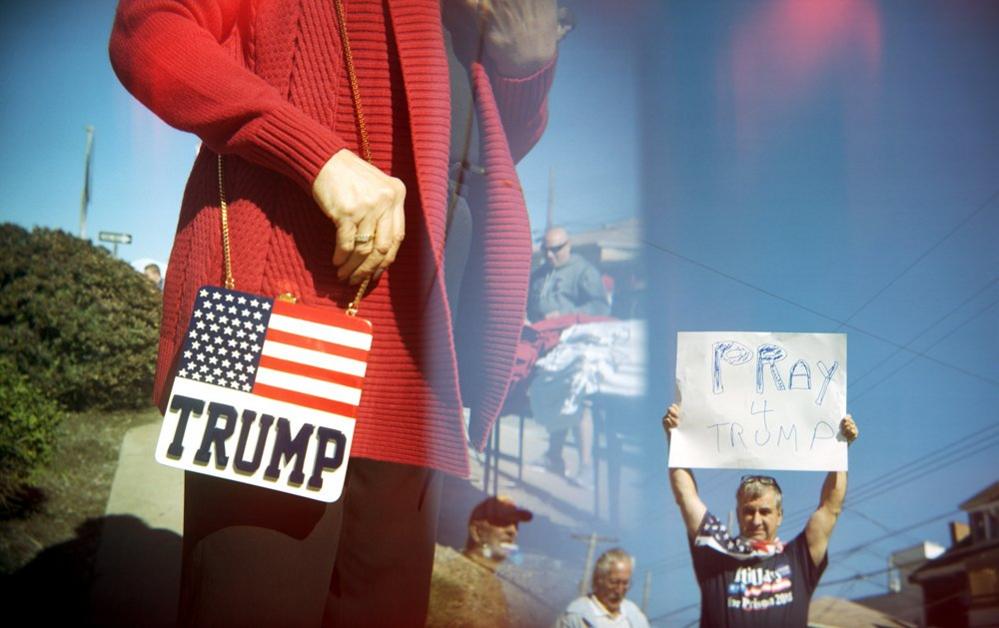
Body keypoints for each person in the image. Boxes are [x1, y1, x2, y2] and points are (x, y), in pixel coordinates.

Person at [109, 1, 560, 625]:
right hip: (278, 317)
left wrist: (523, 65)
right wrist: (315, 155)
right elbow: (149, 31)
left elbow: (487, 149)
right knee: (251, 603)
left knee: (386, 608)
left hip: (419, 354)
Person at [662, 404, 859, 627]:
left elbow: (830, 507)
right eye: (748, 511)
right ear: (738, 514)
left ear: (780, 516)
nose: (756, 520)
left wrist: (841, 449)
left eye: (765, 512)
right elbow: (686, 496)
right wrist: (675, 438)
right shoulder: (716, 551)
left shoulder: (799, 558)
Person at [427, 496, 545, 627]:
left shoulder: (505, 586)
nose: (513, 531)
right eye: (503, 522)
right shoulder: (448, 574)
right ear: (477, 531)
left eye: (516, 525)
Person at [527, 226, 610, 322]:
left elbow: (600, 307)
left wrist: (564, 314)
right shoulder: (538, 274)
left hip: (568, 332)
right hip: (536, 331)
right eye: (545, 249)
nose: (549, 255)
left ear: (568, 245)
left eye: (555, 249)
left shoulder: (584, 271)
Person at [555, 548, 650, 628]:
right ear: (598, 580)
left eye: (625, 583)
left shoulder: (636, 617)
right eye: (614, 582)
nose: (619, 590)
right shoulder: (576, 616)